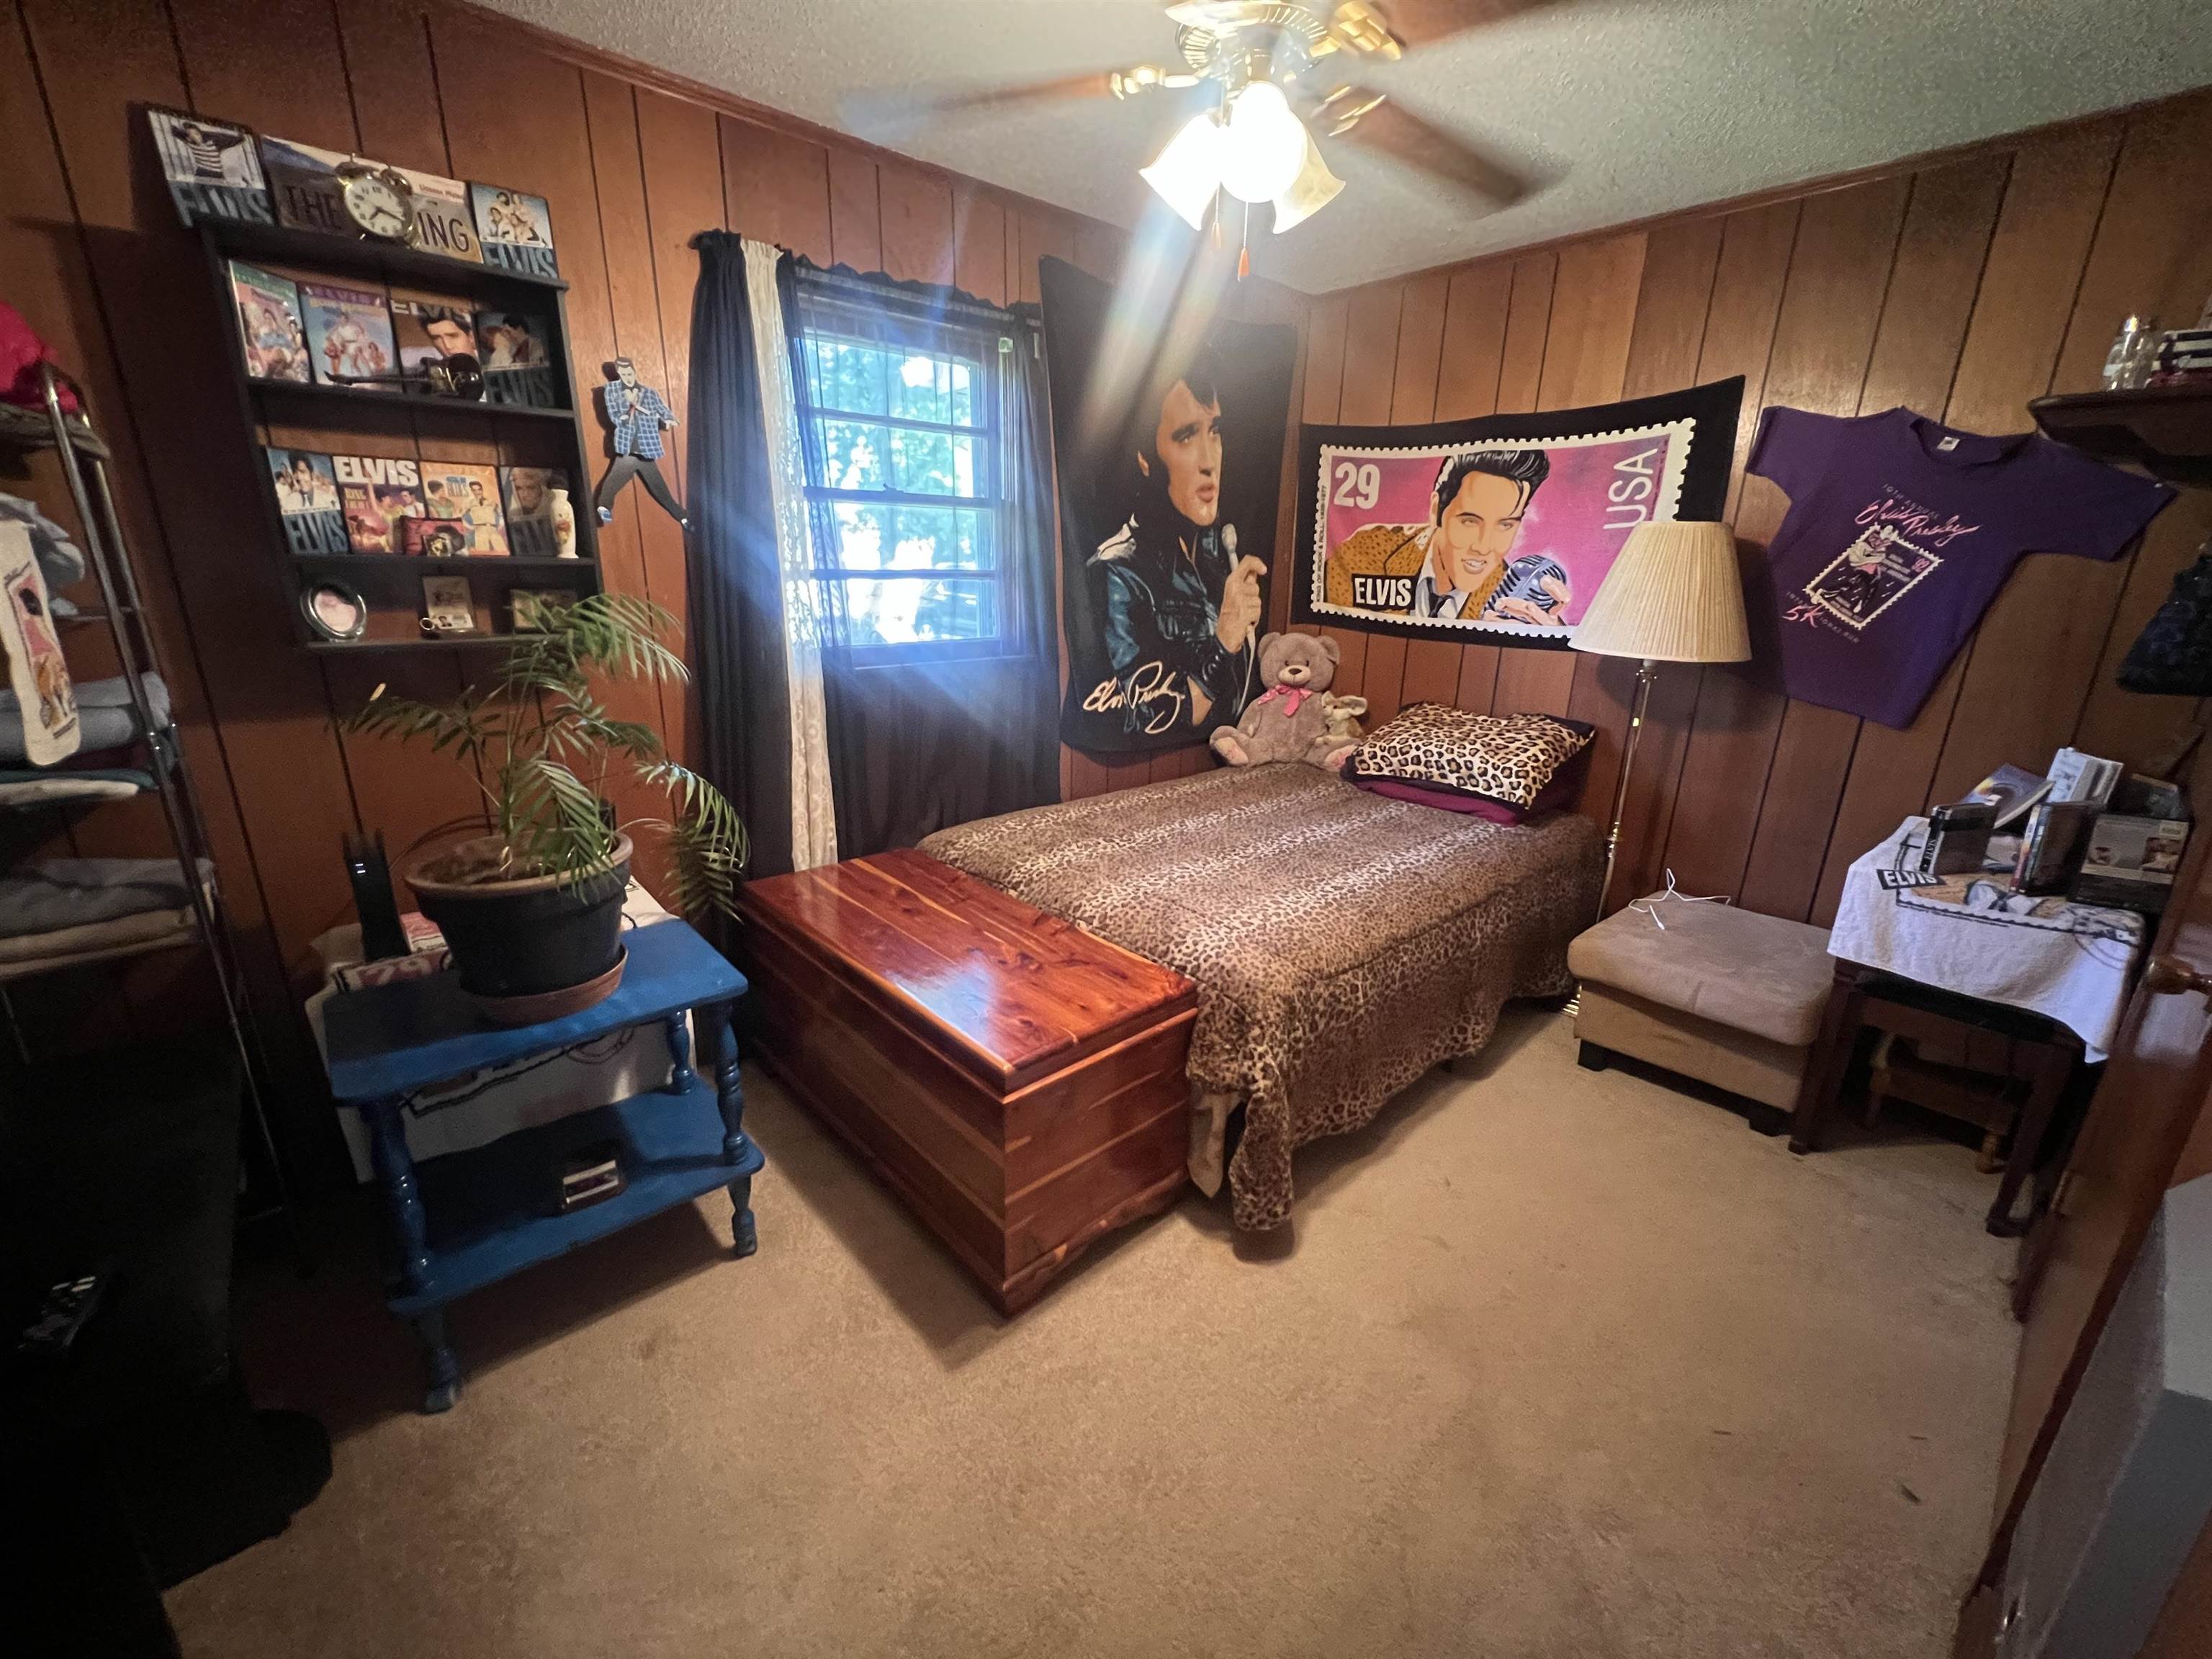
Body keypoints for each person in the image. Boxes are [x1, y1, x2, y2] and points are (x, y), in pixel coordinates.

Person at [1086, 346, 1266, 737]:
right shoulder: (1118, 569)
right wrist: (1226, 638)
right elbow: (1149, 719)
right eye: (1186, 436)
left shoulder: (1220, 557)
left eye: (1214, 432)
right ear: (1146, 458)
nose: (1209, 460)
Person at [1325, 448, 1571, 625]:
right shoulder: (1368, 552)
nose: (1484, 547)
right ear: (1436, 510)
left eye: (1504, 525)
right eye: (1470, 521)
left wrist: (1550, 633)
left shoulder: (1506, 600)